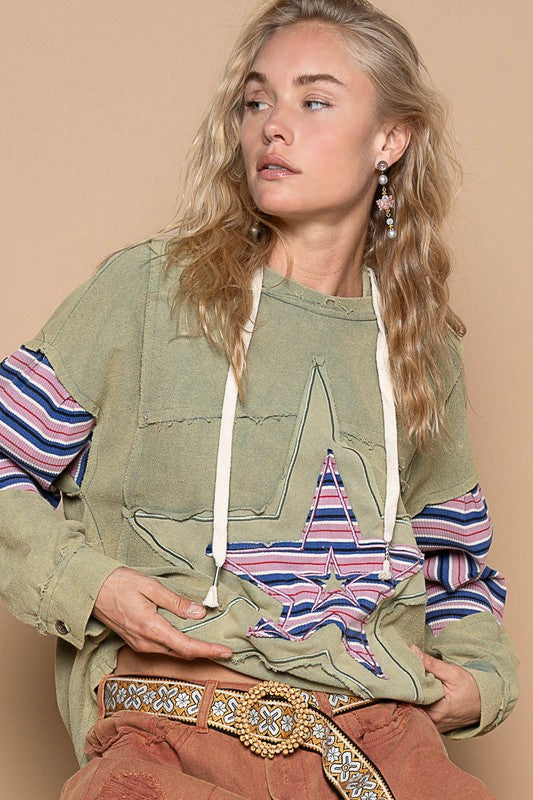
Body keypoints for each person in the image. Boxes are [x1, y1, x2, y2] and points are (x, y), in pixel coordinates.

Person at [0, 1, 519, 798]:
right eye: (255, 100)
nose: (272, 126)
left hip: (382, 744)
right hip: (170, 730)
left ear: (390, 138)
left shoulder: (420, 345)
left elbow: (453, 559)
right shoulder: (147, 293)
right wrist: (89, 584)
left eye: (314, 100)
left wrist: (481, 680)